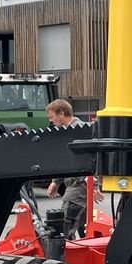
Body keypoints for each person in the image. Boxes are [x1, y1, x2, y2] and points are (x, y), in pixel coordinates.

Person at [44, 98, 88, 238]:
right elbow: (66, 159)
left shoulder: (80, 131)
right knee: (83, 229)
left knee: (63, 227)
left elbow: (90, 158)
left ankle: (62, 257)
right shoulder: (68, 132)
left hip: (78, 187)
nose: (51, 121)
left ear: (61, 114)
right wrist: (56, 182)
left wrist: (93, 184)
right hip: (78, 187)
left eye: (52, 117)